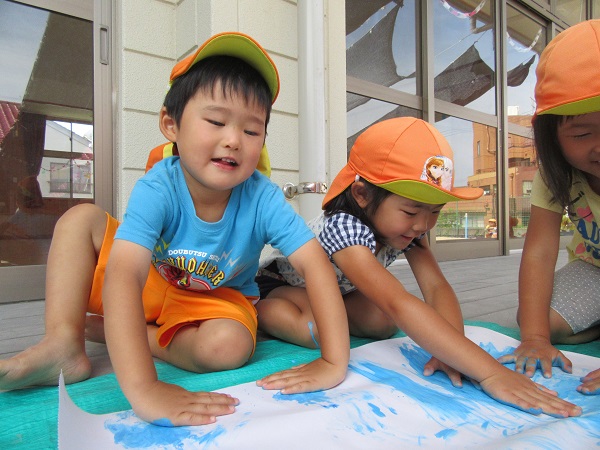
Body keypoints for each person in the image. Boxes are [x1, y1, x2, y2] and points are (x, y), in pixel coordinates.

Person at [0, 32, 350, 426]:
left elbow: (315, 265)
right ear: (171, 125)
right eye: (216, 121)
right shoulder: (159, 186)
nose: (233, 140)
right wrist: (145, 388)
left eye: (252, 131)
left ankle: (137, 336)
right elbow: (124, 274)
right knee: (80, 219)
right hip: (151, 281)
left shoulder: (263, 198)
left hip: (216, 297)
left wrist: (333, 361)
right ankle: (64, 342)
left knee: (230, 347)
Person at [256, 117, 582, 418]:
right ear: (362, 194)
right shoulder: (343, 226)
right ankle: (261, 313)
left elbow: (436, 287)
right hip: (283, 286)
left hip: (341, 291)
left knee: (380, 322)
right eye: (411, 212)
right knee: (317, 328)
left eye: (434, 212)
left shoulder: (407, 228)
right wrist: (491, 373)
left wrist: (451, 349)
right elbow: (396, 301)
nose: (423, 225)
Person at [498, 20, 600, 395]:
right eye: (583, 133)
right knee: (536, 318)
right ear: (551, 137)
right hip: (593, 270)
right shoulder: (555, 175)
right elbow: (540, 251)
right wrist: (536, 338)